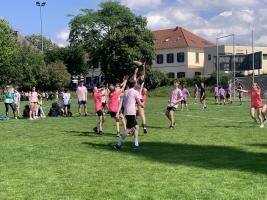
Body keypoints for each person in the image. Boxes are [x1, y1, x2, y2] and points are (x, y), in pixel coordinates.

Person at [114, 79, 143, 150]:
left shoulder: (125, 92)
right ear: (134, 84)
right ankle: (119, 144)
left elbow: (120, 104)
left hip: (126, 112)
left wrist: (118, 112)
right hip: (132, 112)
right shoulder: (135, 92)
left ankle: (136, 143)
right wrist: (141, 104)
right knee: (128, 129)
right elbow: (139, 102)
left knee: (136, 126)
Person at [133, 62, 148, 133]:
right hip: (140, 98)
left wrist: (136, 70)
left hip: (134, 99)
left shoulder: (135, 82)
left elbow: (135, 75)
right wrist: (143, 67)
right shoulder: (142, 83)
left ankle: (133, 128)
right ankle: (144, 126)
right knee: (142, 114)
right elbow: (143, 74)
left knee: (134, 114)